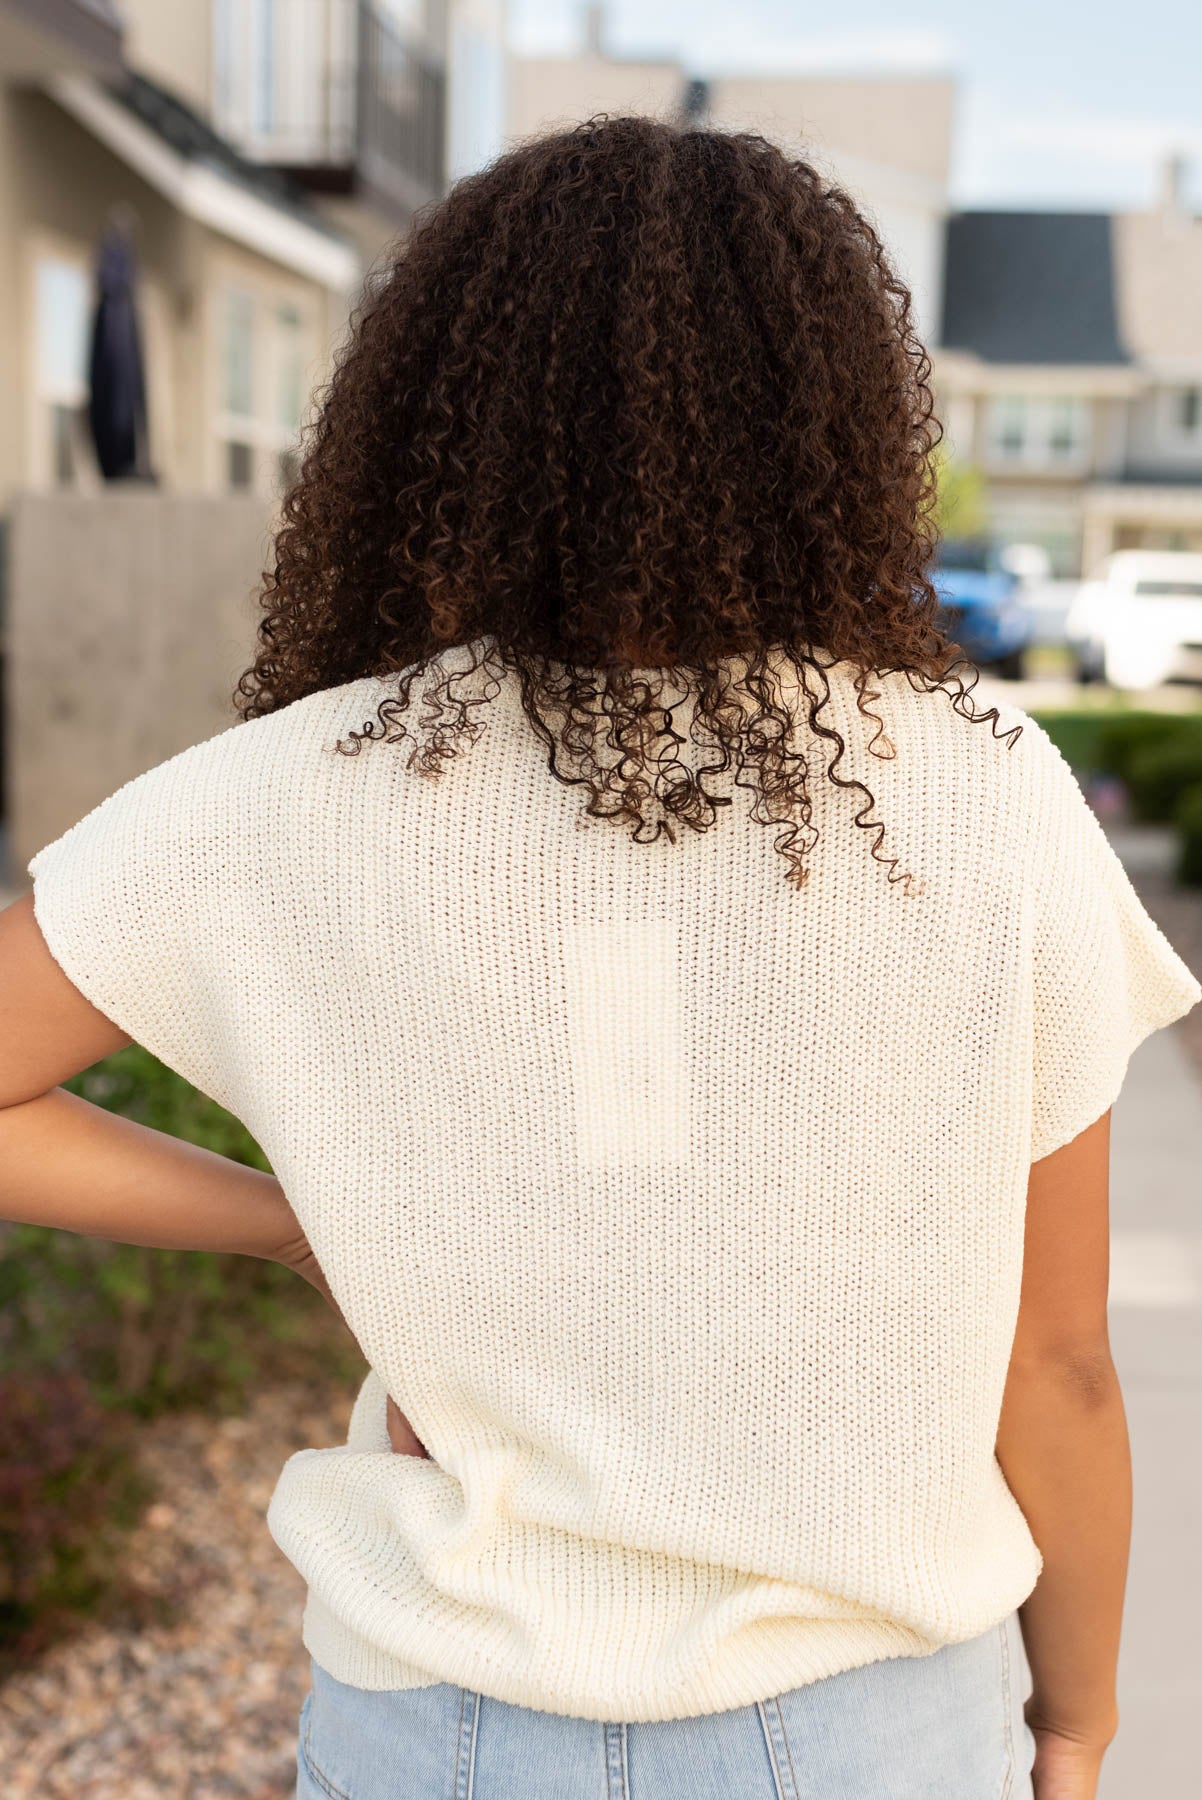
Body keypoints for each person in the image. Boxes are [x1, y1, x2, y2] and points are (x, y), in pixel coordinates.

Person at [1, 113, 1198, 1800]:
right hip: (872, 1731)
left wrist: (286, 1228)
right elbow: (1055, 1367)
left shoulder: (291, 795)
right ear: (833, 426)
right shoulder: (974, 789)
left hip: (440, 1727)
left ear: (437, 420)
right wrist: (1077, 1721)